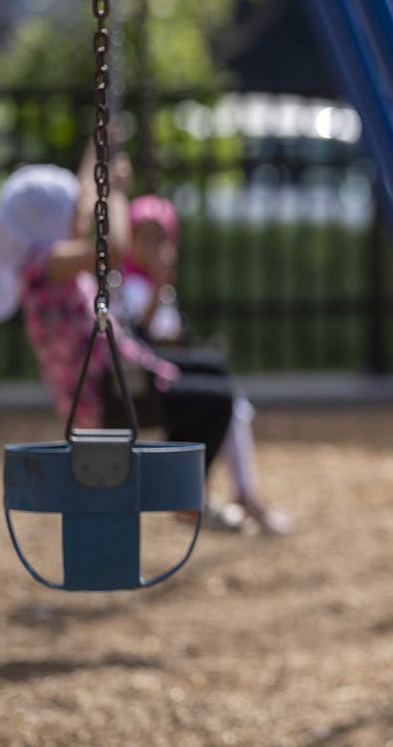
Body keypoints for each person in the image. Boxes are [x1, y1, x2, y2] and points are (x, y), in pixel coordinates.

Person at [0, 151, 231, 499]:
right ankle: (182, 496)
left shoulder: (48, 260)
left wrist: (100, 148)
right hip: (103, 394)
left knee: (214, 370)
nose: (81, 215)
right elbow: (112, 249)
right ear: (48, 218)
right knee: (218, 401)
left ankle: (181, 490)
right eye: (69, 210)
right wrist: (113, 189)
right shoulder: (44, 263)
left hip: (116, 375)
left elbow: (83, 200)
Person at [115, 193, 293, 535]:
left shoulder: (154, 284)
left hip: (162, 372)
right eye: (145, 237)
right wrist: (158, 283)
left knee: (233, 402)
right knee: (223, 401)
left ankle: (236, 494)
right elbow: (139, 339)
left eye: (160, 237)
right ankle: (203, 495)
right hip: (144, 382)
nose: (153, 245)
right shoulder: (130, 283)